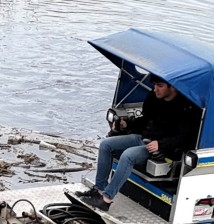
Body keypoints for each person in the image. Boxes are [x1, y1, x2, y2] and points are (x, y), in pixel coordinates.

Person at [80, 78, 199, 209]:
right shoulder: (154, 97)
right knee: (105, 144)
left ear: (173, 87)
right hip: (144, 138)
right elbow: (145, 120)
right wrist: (127, 124)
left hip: (161, 148)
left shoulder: (186, 108)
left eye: (160, 86)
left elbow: (185, 138)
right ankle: (99, 190)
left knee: (128, 155)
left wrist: (161, 144)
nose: (155, 89)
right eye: (154, 85)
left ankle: (106, 199)